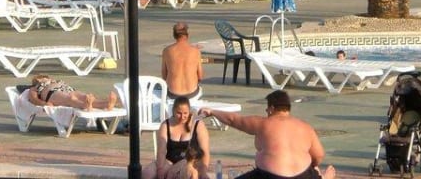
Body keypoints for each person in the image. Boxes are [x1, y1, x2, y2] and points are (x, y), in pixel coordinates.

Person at [197, 90, 336, 179]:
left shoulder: (263, 123)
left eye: (266, 109)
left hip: (270, 176)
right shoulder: (306, 127)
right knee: (313, 170)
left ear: (271, 108)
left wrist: (212, 112)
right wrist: (311, 167)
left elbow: (233, 120)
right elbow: (319, 155)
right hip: (303, 176)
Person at [142, 96, 211, 179]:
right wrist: (160, 169)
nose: (182, 117)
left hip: (189, 162)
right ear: (173, 111)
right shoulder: (165, 125)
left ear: (189, 111)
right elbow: (161, 151)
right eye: (179, 113)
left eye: (185, 113)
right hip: (169, 161)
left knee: (187, 172)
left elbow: (205, 152)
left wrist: (203, 172)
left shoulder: (198, 124)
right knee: (147, 173)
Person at [25, 74, 117, 111]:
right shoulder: (35, 88)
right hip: (52, 93)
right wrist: (45, 103)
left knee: (84, 96)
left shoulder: (54, 81)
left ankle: (107, 104)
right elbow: (34, 99)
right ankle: (86, 105)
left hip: (67, 89)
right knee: (69, 99)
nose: (43, 79)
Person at [162, 22, 204, 101]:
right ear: (187, 35)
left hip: (173, 93)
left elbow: (164, 76)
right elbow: (200, 76)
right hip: (192, 93)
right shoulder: (195, 51)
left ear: (174, 35)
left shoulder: (167, 51)